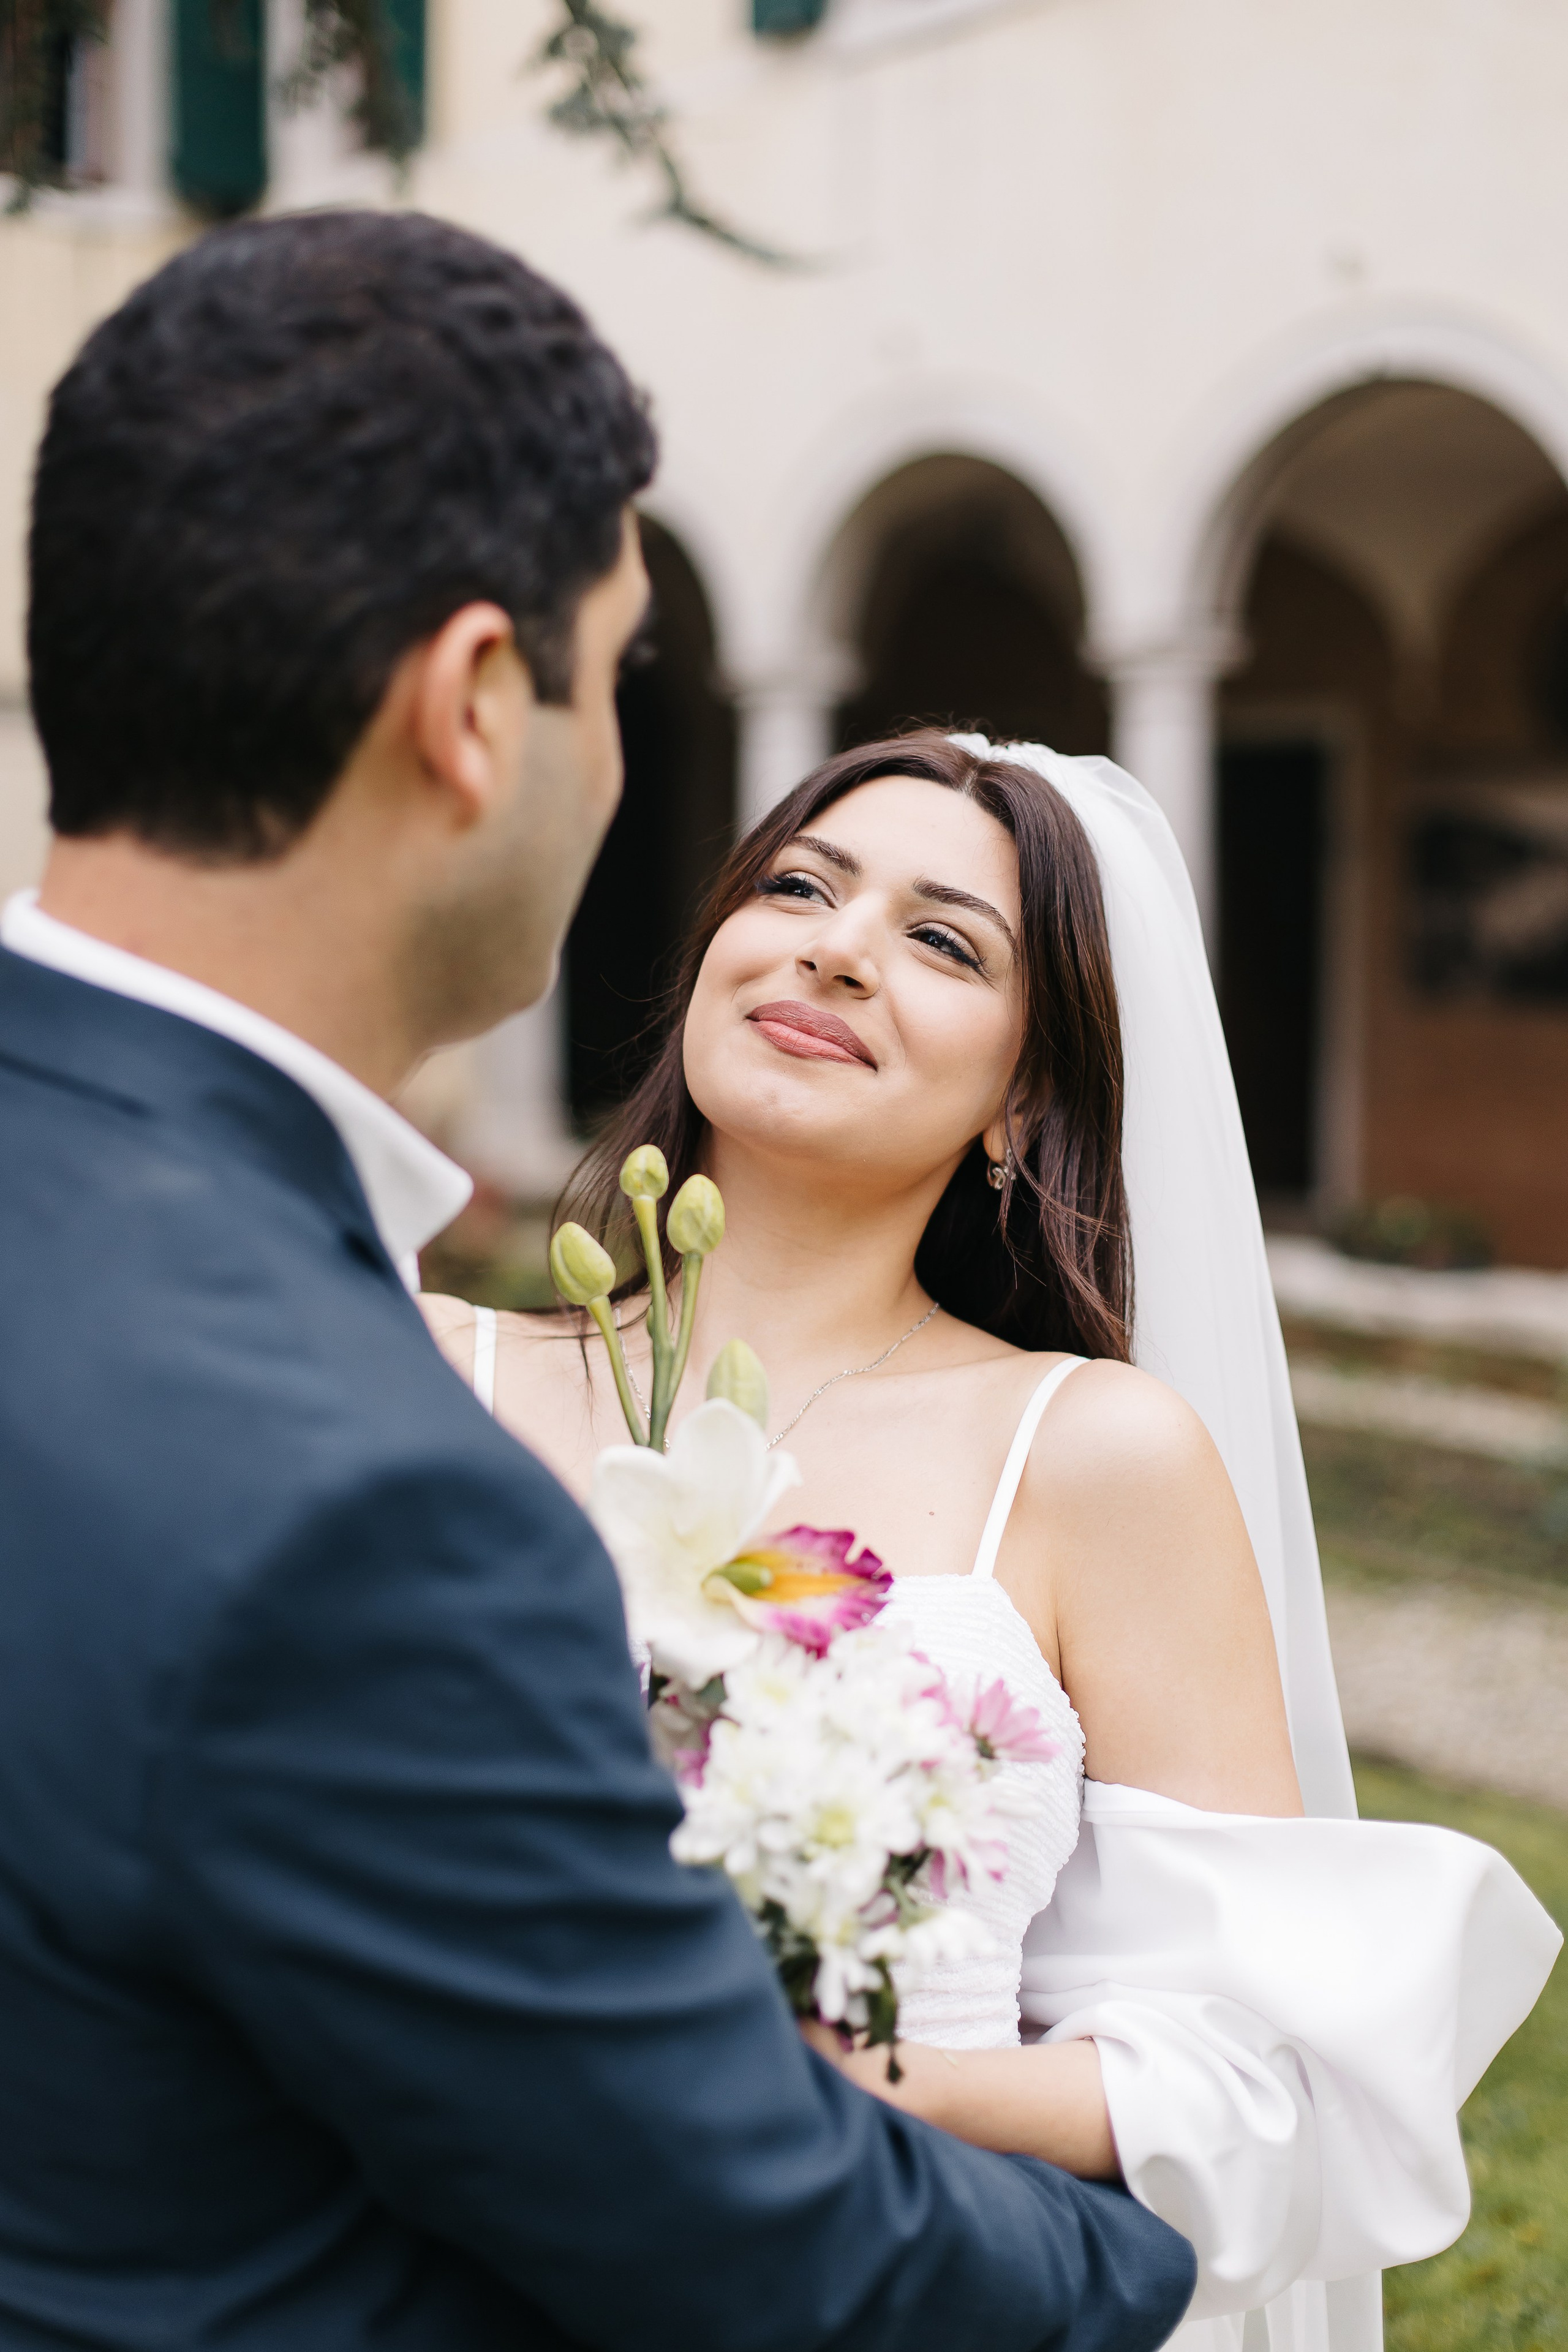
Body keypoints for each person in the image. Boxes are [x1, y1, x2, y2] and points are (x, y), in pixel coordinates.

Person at [0, 216, 1200, 2352]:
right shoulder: (361, 1475)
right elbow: (747, 2235)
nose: (827, 942)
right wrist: (1149, 2276)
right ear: (480, 706)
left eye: (945, 937)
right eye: (620, 679)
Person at [427, 727, 1562, 2352]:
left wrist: (852, 2078)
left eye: (944, 940)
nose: (836, 942)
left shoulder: (1092, 1457)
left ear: (1026, 1096)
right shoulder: (418, 1368)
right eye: (801, 886)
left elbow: (1249, 2068)